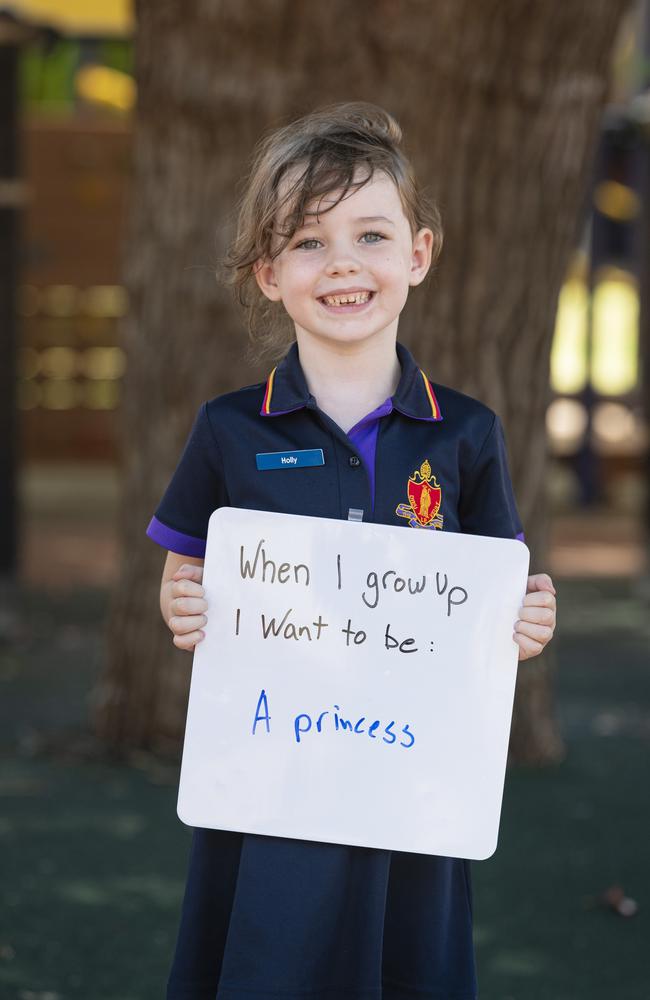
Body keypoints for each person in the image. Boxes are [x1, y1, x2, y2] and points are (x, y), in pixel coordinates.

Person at [146, 102, 557, 1000]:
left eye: (369, 236)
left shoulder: (468, 435)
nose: (341, 264)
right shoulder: (227, 429)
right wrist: (180, 603)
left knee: (408, 960)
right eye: (306, 242)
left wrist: (528, 619)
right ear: (267, 274)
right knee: (267, 959)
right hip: (268, 778)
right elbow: (186, 570)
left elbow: (504, 586)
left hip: (414, 781)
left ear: (417, 254)